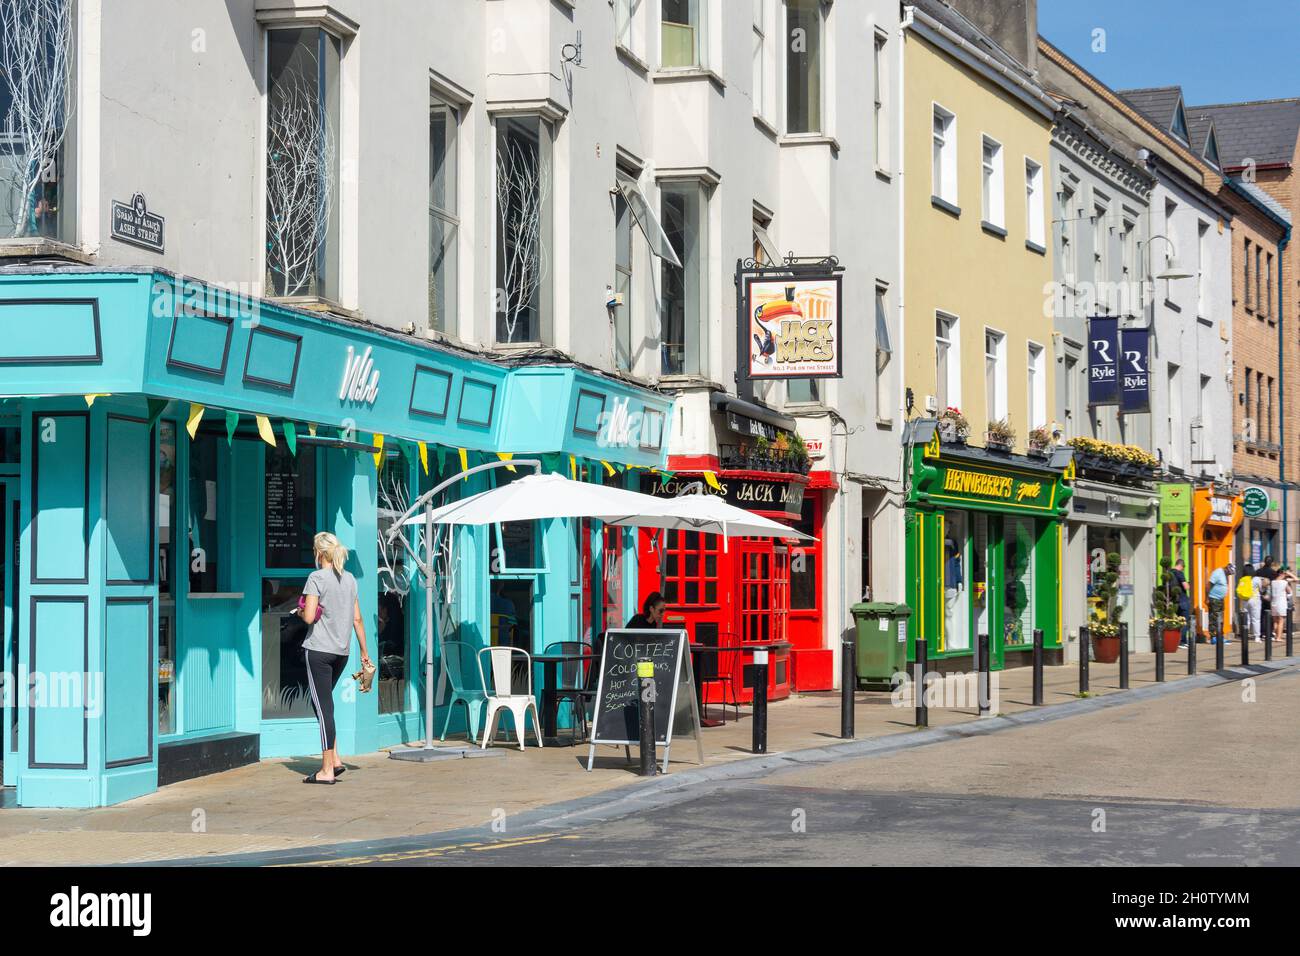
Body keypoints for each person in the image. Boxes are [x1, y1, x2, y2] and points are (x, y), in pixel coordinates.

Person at [297, 532, 371, 785]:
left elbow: (308, 617)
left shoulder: (316, 577)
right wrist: (364, 653)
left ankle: (326, 770)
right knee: (324, 705)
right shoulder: (349, 579)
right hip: (342, 652)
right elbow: (358, 619)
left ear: (318, 553)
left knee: (323, 707)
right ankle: (336, 759)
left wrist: (299, 610)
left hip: (318, 651)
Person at [1206, 563, 1232, 645]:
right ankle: (1213, 637)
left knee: (1220, 618)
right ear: (1227, 569)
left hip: (1220, 599)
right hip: (1214, 598)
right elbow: (1209, 584)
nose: (1230, 574)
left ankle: (1219, 636)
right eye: (1229, 572)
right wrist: (1207, 598)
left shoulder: (1225, 574)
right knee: (1213, 617)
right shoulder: (1218, 573)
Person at [1170, 558, 1192, 647]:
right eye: (1183, 567)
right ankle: (1182, 641)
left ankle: (1176, 641)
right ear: (1181, 566)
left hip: (1174, 601)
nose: (1183, 569)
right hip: (1182, 600)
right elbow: (1186, 587)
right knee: (1184, 621)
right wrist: (1188, 584)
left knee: (1177, 621)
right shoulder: (1179, 573)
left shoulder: (1170, 573)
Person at [1237, 564, 1261, 642]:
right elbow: (1261, 588)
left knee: (1246, 619)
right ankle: (1256, 636)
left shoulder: (1242, 579)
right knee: (1255, 619)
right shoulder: (1256, 579)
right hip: (1255, 599)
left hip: (1245, 600)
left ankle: (1245, 635)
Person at [1270, 568, 1292, 645]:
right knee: (1281, 620)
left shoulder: (1272, 582)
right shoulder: (1284, 582)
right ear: (1282, 574)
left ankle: (1276, 636)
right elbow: (1289, 592)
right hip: (1281, 602)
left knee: (1275, 621)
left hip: (1273, 603)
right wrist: (1290, 574)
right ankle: (1279, 637)